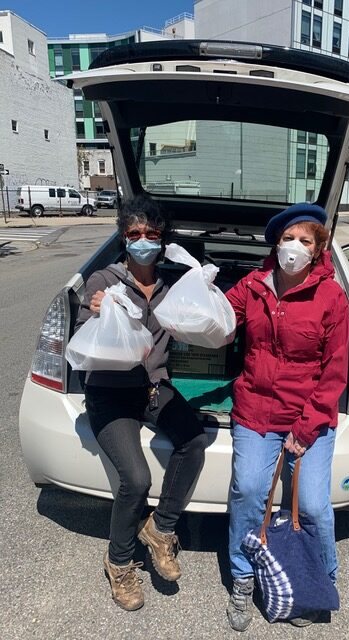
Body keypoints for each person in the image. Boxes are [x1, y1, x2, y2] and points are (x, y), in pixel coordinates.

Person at [75, 195, 208, 611]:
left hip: (151, 386)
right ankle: (118, 562)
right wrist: (96, 311)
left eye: (152, 233)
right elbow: (81, 335)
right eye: (135, 234)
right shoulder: (103, 282)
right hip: (110, 392)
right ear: (123, 238)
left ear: (162, 238)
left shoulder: (171, 287)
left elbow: (195, 327)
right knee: (136, 480)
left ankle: (160, 528)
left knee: (194, 439)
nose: (144, 241)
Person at [224, 202, 349, 631]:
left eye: (305, 240)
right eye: (287, 238)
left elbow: (335, 371)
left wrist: (307, 425)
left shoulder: (332, 296)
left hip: (309, 416)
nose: (294, 247)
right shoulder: (254, 285)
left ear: (318, 249)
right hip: (256, 411)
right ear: (275, 243)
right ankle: (243, 576)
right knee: (249, 490)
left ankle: (317, 580)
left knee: (313, 504)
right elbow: (219, 317)